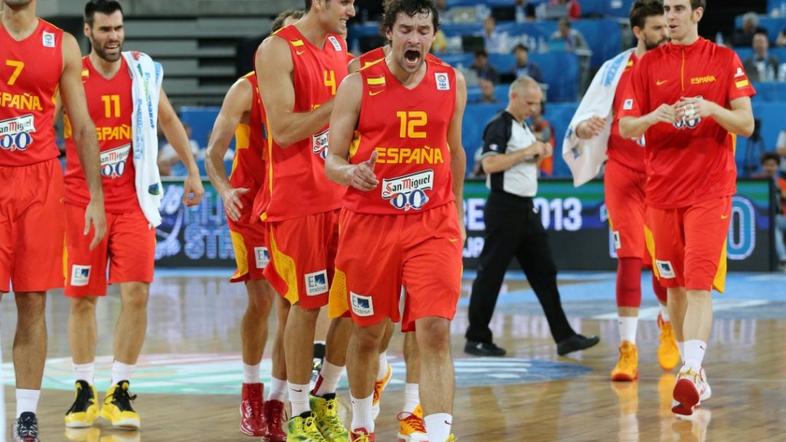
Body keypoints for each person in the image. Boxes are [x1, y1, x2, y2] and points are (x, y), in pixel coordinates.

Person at [325, 0, 466, 440]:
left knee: (436, 331)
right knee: (368, 335)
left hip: (432, 222)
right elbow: (331, 159)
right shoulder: (358, 84)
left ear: (433, 35)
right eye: (406, 29)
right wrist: (352, 172)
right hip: (371, 223)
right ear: (388, 32)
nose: (415, 39)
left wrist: (456, 209)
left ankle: (437, 432)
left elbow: (455, 151)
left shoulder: (450, 81)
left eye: (424, 30)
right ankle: (363, 422)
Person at [62, 0, 204, 432]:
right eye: (105, 29)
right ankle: (84, 390)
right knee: (83, 297)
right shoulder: (71, 76)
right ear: (88, 30)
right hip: (81, 199)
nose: (113, 37)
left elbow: (168, 120)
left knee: (137, 294)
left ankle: (120, 388)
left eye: (118, 28)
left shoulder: (140, 72)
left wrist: (193, 171)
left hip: (133, 200)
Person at [619, 0, 755, 416]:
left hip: (709, 192)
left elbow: (746, 124)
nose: (671, 16)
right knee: (673, 288)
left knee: (697, 285)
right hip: (660, 193)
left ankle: (692, 369)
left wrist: (712, 108)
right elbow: (625, 127)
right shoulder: (643, 67)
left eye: (679, 8)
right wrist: (651, 118)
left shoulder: (723, 59)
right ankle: (691, 369)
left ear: (698, 12)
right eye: (666, 8)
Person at [0, 0, 106, 439]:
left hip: (40, 183)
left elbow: (82, 126)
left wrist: (95, 198)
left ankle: (26, 412)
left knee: (33, 301)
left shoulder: (60, 44)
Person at [255, 0, 356, 439]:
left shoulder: (341, 47)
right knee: (308, 303)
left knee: (354, 303)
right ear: (319, 2)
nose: (352, 10)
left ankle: (326, 395)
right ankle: (298, 414)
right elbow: (283, 130)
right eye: (346, 2)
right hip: (298, 201)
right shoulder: (277, 49)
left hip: (344, 197)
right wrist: (343, 103)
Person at [566, 0, 678, 382]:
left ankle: (667, 322)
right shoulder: (615, 69)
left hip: (664, 174)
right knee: (629, 257)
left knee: (665, 261)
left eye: (668, 27)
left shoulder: (679, 63)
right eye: (658, 28)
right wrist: (582, 129)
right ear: (638, 31)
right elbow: (585, 114)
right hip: (624, 173)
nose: (666, 34)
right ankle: (627, 349)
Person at [206, 9, 302, 441]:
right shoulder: (246, 89)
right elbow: (213, 151)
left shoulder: (319, 88)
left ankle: (278, 401)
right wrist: (224, 188)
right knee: (262, 302)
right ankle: (250, 388)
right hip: (252, 209)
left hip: (296, 205)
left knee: (292, 309)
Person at [464, 76, 600, 358]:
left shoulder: (524, 129)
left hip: (526, 209)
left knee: (545, 272)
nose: (534, 109)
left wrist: (537, 153)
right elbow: (488, 164)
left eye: (538, 104)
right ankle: (476, 337)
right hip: (504, 209)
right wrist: (530, 150)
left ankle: (564, 337)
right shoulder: (498, 125)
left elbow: (520, 164)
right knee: (491, 273)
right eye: (530, 102)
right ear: (513, 97)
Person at [756, 153, 786, 267]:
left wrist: (780, 189)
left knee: (775, 223)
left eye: (772, 165)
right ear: (763, 166)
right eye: (767, 165)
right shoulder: (756, 180)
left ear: (777, 166)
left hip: (781, 218)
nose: (769, 168)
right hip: (763, 218)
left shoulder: (782, 182)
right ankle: (784, 260)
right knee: (773, 226)